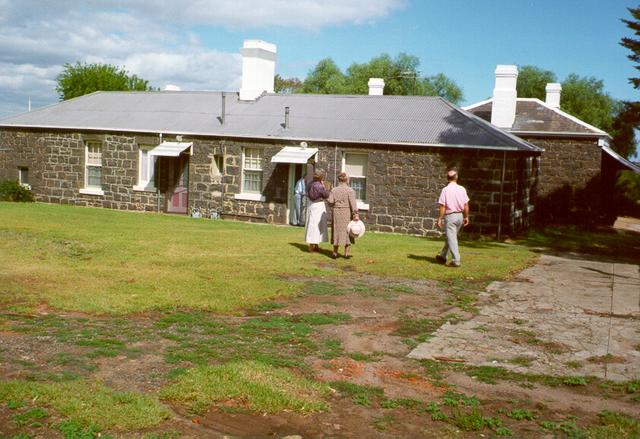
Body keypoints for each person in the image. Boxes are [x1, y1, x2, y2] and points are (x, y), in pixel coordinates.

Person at [436, 170, 470, 267]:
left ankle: (456, 261)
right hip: (460, 216)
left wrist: (440, 218)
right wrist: (466, 216)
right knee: (451, 237)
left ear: (447, 178)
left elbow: (442, 206)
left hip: (450, 216)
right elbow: (466, 204)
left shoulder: (445, 190)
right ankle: (442, 256)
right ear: (456, 177)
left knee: (452, 238)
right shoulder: (462, 189)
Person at [328, 172, 360, 259]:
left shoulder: (334, 190)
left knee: (336, 231)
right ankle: (346, 254)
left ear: (339, 180)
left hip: (336, 213)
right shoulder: (350, 190)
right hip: (346, 212)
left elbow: (330, 202)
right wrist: (355, 214)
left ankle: (335, 253)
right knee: (348, 232)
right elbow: (353, 204)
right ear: (347, 180)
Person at [304, 169, 330, 252]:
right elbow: (326, 195)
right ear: (320, 177)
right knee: (317, 225)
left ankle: (315, 244)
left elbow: (307, 193)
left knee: (312, 224)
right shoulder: (319, 186)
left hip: (311, 205)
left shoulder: (309, 184)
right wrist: (326, 187)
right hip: (318, 205)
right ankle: (312, 245)